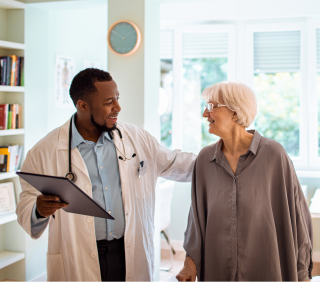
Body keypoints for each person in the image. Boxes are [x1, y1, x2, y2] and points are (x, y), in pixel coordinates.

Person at [16, 68, 196, 281]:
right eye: (109, 101)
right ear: (83, 105)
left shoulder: (136, 138)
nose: (118, 107)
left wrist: (224, 156)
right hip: (77, 256)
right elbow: (26, 202)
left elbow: (177, 162)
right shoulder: (44, 151)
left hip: (128, 251)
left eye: (117, 98)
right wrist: (38, 209)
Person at [176, 81, 313, 281]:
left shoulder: (274, 154)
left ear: (235, 112)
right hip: (218, 271)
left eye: (211, 107)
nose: (205, 114)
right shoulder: (204, 160)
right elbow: (196, 222)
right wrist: (190, 263)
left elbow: (298, 219)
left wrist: (302, 274)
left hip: (267, 269)